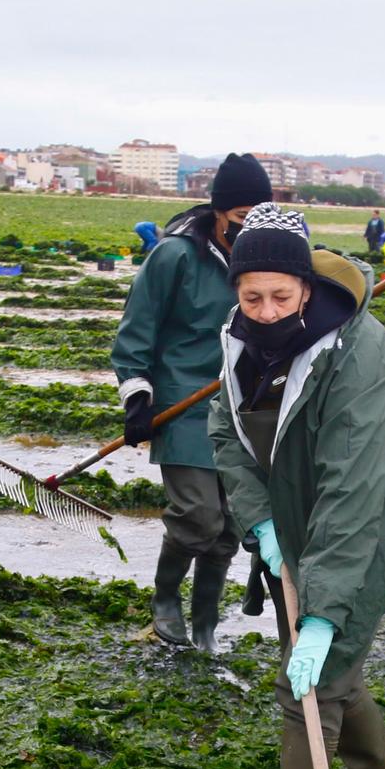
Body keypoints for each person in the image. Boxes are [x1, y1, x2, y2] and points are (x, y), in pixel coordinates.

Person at [207, 204, 385, 769]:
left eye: (281, 295)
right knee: (328, 664)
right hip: (295, 522)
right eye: (253, 296)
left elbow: (352, 491)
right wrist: (263, 523)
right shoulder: (242, 339)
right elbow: (225, 431)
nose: (267, 309)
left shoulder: (360, 355)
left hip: (371, 527)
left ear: (306, 287)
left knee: (310, 680)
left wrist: (326, 612)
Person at [112, 152, 268, 651]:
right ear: (219, 212)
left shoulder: (260, 262)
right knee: (199, 515)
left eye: (257, 220)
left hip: (242, 408)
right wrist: (138, 396)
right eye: (242, 219)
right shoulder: (175, 255)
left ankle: (204, 624)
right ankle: (164, 600)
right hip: (183, 405)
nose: (249, 230)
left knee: (228, 528)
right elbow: (136, 331)